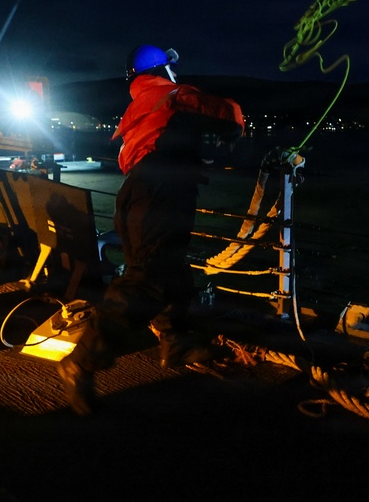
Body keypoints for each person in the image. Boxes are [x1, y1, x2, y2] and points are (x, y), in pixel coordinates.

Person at [58, 44, 244, 415]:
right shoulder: (174, 95)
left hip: (137, 193)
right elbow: (230, 116)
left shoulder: (140, 105)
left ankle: (174, 341)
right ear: (163, 70)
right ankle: (82, 360)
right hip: (160, 193)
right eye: (172, 67)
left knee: (170, 269)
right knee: (146, 280)